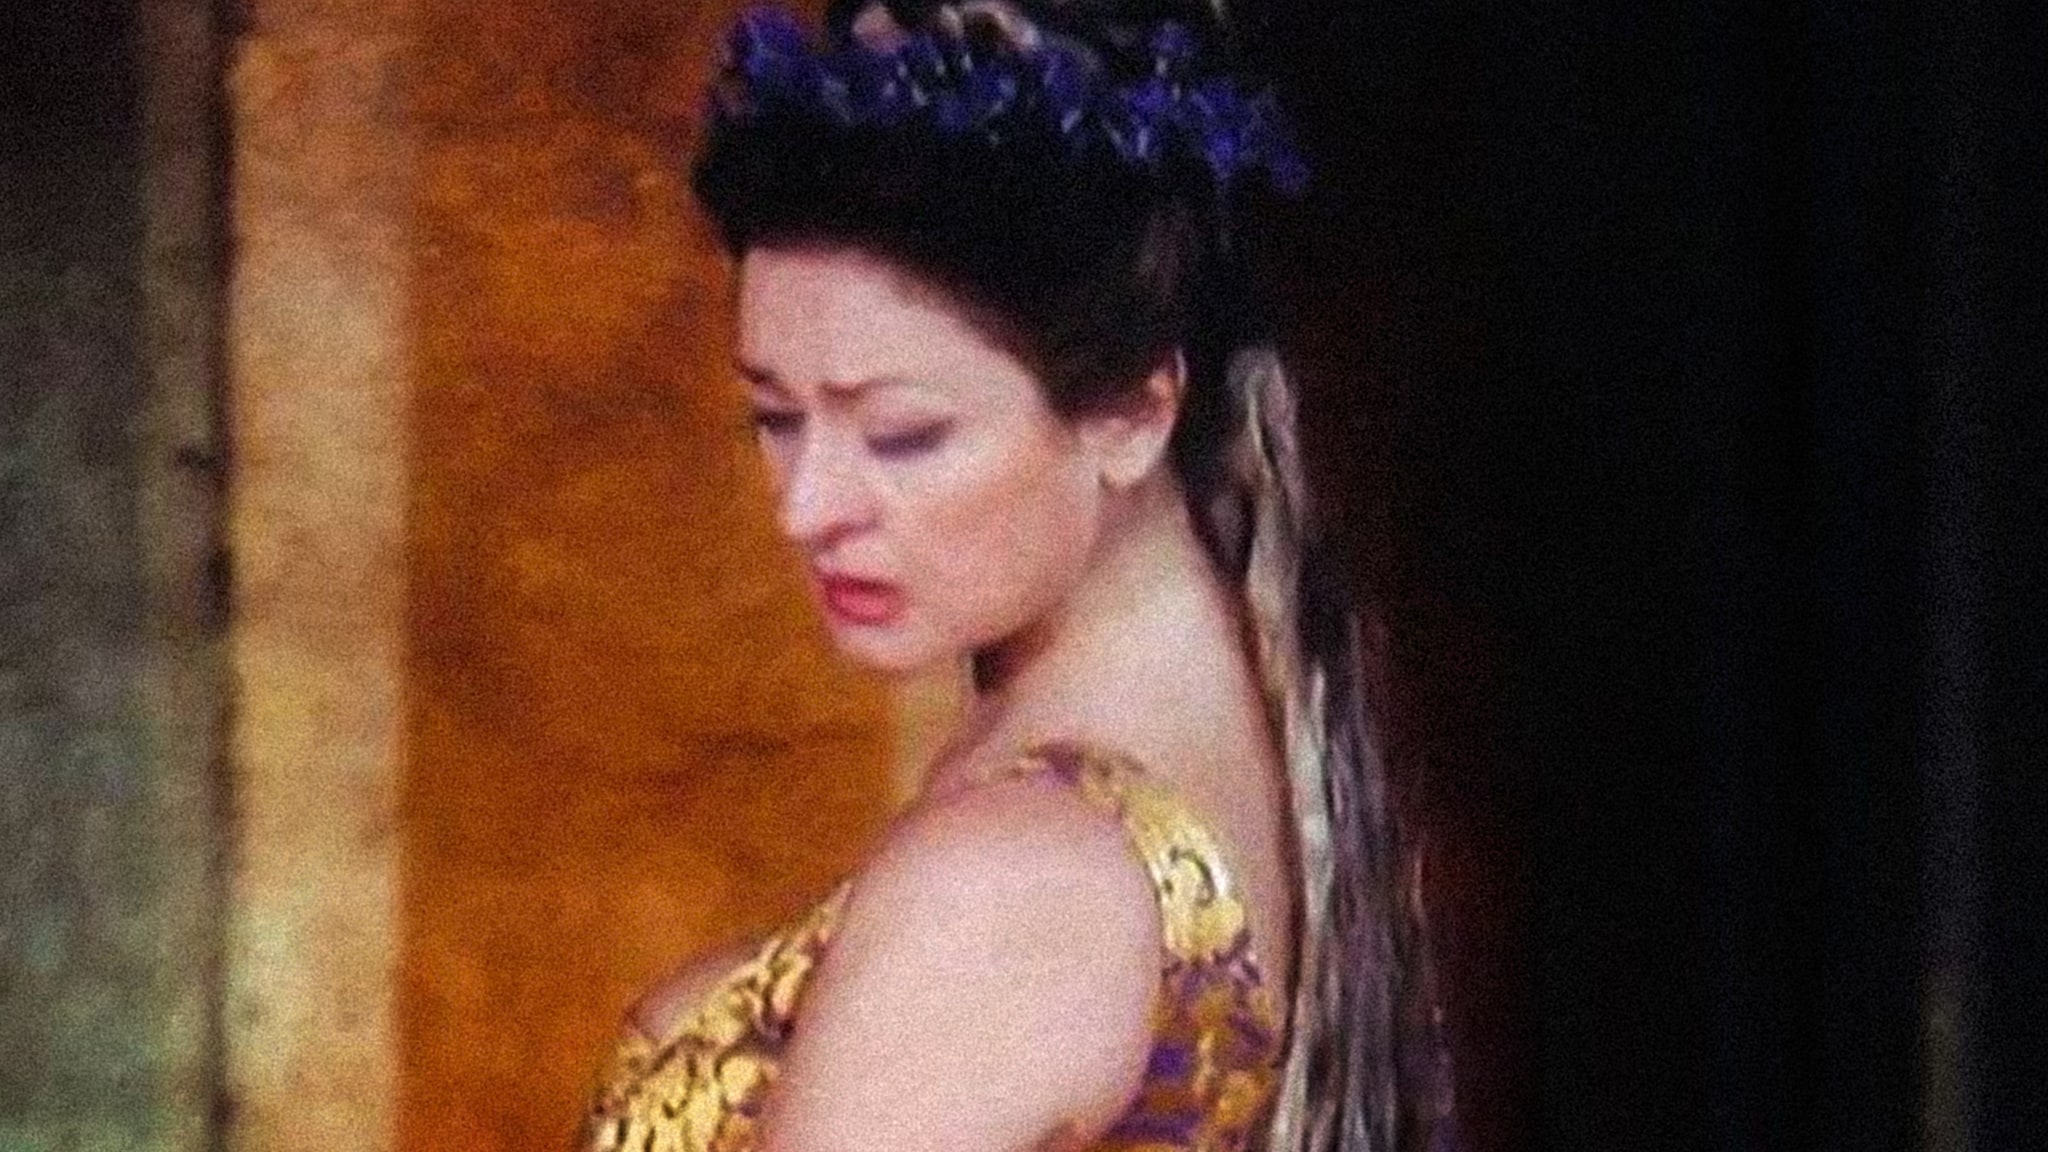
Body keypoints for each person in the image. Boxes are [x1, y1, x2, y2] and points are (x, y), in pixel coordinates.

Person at [581, 1, 1454, 1149]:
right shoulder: (1224, 699)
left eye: (901, 435)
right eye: (774, 418)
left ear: (1131, 415)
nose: (805, 507)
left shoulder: (1016, 884)